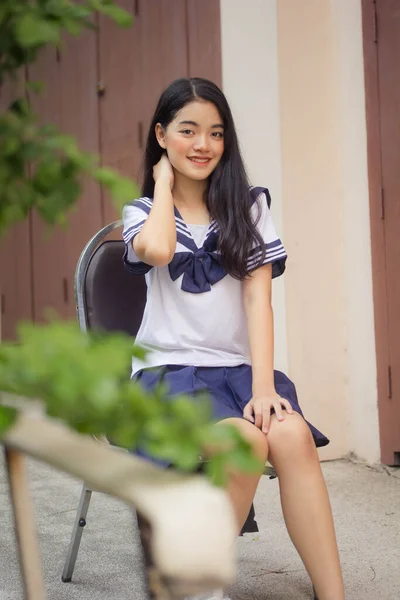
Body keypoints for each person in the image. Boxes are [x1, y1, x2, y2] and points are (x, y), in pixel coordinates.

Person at [122, 78, 345, 600]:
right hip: (167, 375)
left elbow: (256, 302)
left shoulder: (248, 208)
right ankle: (197, 587)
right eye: (188, 130)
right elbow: (156, 251)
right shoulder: (141, 213)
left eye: (216, 133)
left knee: (289, 435)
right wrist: (161, 185)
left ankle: (333, 593)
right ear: (161, 135)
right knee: (245, 443)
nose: (203, 144)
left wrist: (264, 389)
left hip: (236, 371)